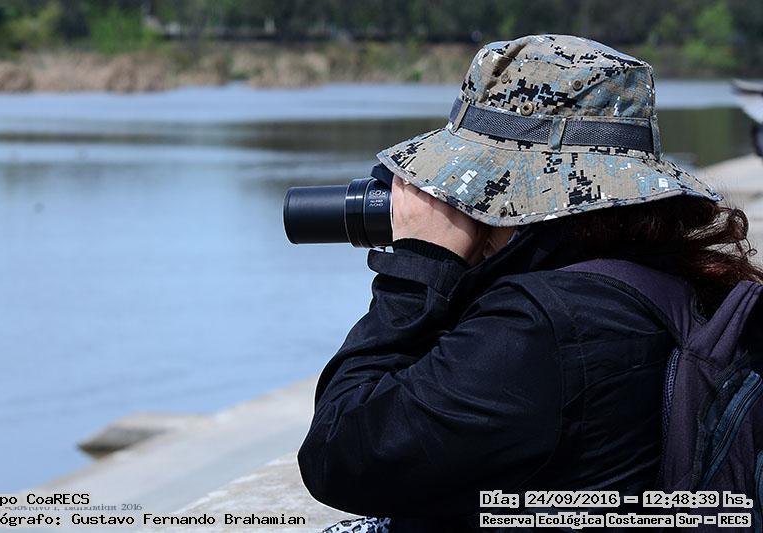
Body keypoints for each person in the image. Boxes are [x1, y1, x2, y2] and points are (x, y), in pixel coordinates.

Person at [297, 35, 763, 532]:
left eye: (474, 191)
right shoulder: (660, 276)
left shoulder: (546, 325)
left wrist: (420, 267)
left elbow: (341, 455)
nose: (463, 205)